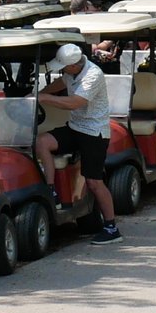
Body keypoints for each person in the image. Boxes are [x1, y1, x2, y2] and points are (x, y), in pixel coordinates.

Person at [39, 42, 120, 242]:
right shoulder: (71, 71)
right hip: (75, 127)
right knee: (42, 142)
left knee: (94, 182)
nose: (63, 70)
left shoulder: (93, 75)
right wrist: (35, 95)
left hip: (94, 132)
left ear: (74, 65)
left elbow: (75, 102)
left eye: (64, 67)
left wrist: (45, 98)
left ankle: (111, 228)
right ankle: (50, 190)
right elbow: (59, 84)